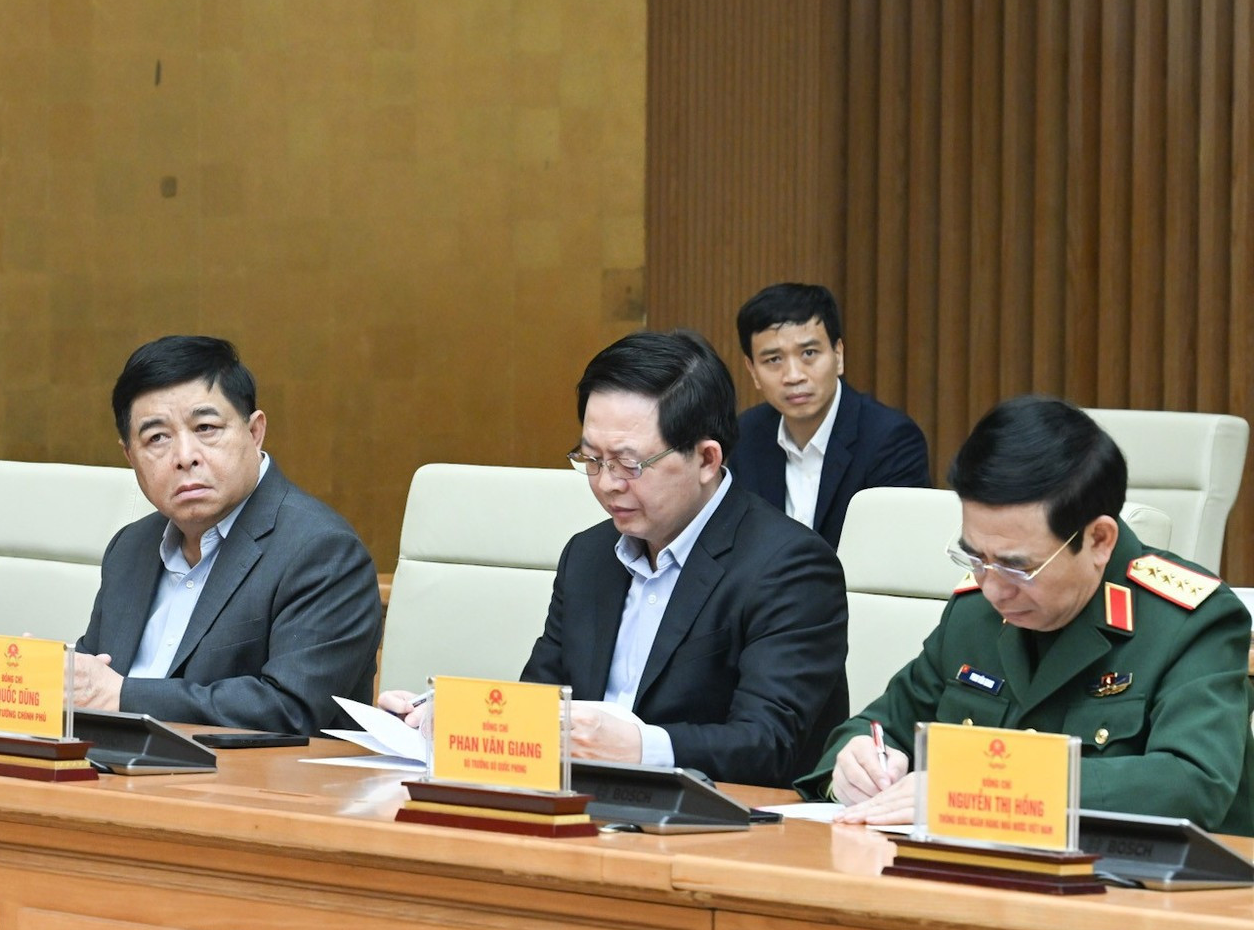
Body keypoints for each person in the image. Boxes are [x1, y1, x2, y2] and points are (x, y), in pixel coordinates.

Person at [382, 328, 849, 788]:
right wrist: (452, 719)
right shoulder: (588, 556)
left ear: (707, 459)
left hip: (721, 821)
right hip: (577, 809)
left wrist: (640, 748)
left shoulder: (790, 566)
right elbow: (541, 702)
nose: (607, 483)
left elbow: (770, 744)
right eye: (591, 460)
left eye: (629, 464)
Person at [806, 395, 1254, 835]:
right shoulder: (974, 613)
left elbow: (1193, 784)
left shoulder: (1191, 622)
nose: (993, 588)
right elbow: (879, 726)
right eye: (975, 557)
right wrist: (854, 762)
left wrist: (987, 791)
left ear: (1099, 540)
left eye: (1018, 567)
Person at [72, 335, 381, 734]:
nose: (185, 456)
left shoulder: (322, 551)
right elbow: (95, 677)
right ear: (130, 457)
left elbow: (291, 709)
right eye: (157, 438)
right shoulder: (130, 547)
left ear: (255, 432)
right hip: (112, 765)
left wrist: (124, 697)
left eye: (206, 428)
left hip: (251, 773)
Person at [727, 282, 929, 547]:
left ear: (838, 354)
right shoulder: (747, 435)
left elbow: (895, 553)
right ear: (752, 370)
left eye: (809, 353)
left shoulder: (891, 440)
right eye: (774, 359)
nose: (793, 376)